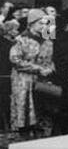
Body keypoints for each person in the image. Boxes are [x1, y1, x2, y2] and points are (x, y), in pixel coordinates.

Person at [8, 10, 56, 139]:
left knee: (42, 107)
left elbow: (51, 59)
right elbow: (15, 60)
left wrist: (50, 69)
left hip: (42, 80)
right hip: (24, 79)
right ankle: (23, 134)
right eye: (40, 23)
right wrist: (37, 68)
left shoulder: (48, 40)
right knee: (25, 107)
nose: (43, 26)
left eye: (45, 23)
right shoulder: (21, 40)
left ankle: (41, 134)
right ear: (31, 24)